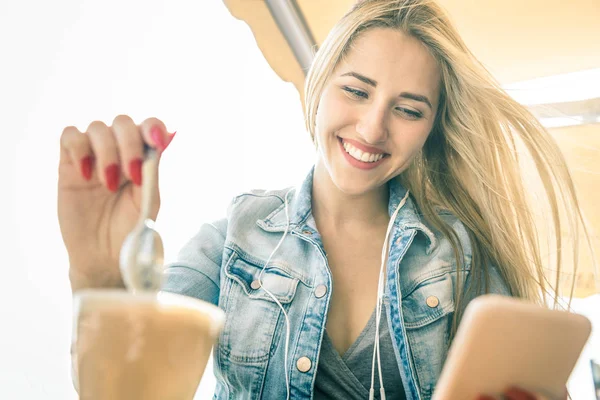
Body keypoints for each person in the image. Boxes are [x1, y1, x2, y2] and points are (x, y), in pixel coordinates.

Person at [57, 0, 586, 399]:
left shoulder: (462, 255)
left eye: (409, 109)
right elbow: (129, 392)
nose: (373, 127)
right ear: (320, 84)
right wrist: (99, 279)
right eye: (356, 91)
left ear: (432, 129)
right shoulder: (232, 239)